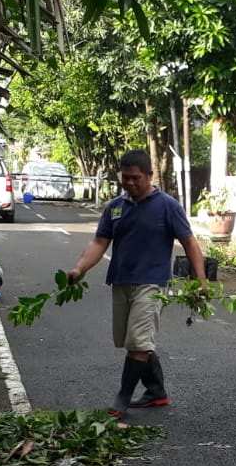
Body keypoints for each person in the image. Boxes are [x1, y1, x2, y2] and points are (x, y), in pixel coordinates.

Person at [65, 150, 206, 417]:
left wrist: (200, 280)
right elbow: (99, 242)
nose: (130, 183)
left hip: (152, 283)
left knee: (139, 341)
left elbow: (189, 242)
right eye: (125, 178)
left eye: (136, 178)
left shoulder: (167, 205)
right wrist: (79, 268)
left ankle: (123, 397)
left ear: (150, 176)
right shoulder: (115, 206)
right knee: (132, 341)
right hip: (121, 280)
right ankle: (156, 391)